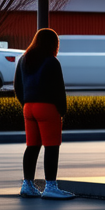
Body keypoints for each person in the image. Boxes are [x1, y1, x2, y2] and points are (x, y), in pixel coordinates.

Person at [13, 28, 73, 199]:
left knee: (32, 147)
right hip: (47, 108)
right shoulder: (52, 61)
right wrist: (62, 110)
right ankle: (51, 187)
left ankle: (27, 185)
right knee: (51, 147)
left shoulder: (24, 59)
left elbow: (17, 85)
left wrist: (25, 103)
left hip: (28, 108)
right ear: (53, 43)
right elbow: (58, 89)